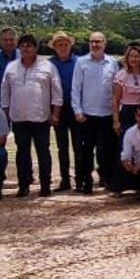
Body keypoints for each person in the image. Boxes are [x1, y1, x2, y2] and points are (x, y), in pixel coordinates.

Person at [1, 34, 63, 197]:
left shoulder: (47, 67)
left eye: (29, 45)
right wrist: (6, 113)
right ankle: (24, 185)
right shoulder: (11, 67)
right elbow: (5, 92)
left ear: (36, 48)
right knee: (22, 153)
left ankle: (45, 185)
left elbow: (57, 92)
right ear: (19, 48)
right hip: (19, 118)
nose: (26, 49)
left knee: (43, 152)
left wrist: (55, 113)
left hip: (41, 117)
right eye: (23, 46)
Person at [71, 31, 119, 194]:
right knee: (86, 151)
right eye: (92, 42)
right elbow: (75, 88)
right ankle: (87, 181)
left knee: (106, 150)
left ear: (105, 43)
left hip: (106, 114)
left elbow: (116, 89)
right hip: (87, 115)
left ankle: (105, 179)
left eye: (98, 42)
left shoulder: (112, 63)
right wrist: (77, 111)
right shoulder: (81, 62)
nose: (95, 45)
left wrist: (116, 114)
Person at [48, 31, 80, 192]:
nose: (62, 47)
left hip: (75, 108)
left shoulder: (79, 62)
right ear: (54, 47)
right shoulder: (49, 64)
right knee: (62, 147)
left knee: (78, 145)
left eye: (65, 44)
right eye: (59, 44)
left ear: (70, 45)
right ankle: (65, 179)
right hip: (57, 109)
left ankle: (80, 178)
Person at [113, 42, 140, 138]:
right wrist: (116, 121)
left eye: (136, 57)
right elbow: (116, 100)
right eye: (131, 56)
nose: (133, 59)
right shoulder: (121, 75)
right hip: (127, 113)